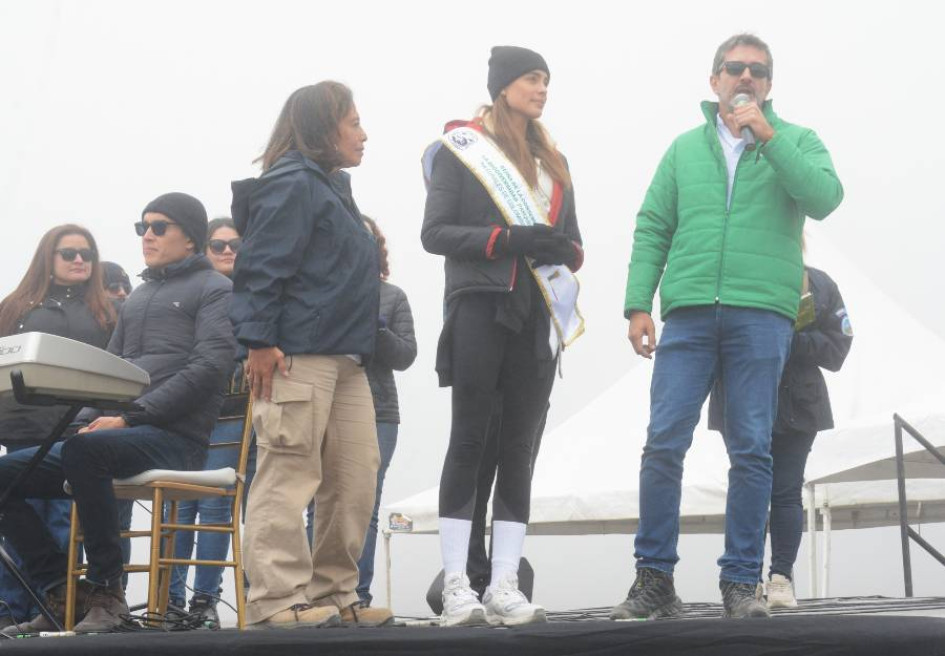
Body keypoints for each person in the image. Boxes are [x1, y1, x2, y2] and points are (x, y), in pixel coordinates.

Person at [611, 33, 843, 621]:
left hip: (762, 313)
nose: (746, 78)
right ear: (714, 80)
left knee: (752, 451)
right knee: (663, 442)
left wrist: (771, 140)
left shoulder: (796, 141)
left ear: (769, 86)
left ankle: (742, 582)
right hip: (688, 313)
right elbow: (653, 225)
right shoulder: (684, 150)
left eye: (757, 72)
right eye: (734, 69)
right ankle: (654, 578)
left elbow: (825, 198)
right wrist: (639, 302)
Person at [0, 192, 236, 633]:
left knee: (88, 451)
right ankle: (61, 592)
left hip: (176, 440)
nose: (147, 235)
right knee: (6, 474)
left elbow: (209, 369)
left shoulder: (217, 290)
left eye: (159, 226)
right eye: (142, 226)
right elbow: (110, 373)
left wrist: (130, 417)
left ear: (191, 238)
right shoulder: (141, 295)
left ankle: (108, 591)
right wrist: (80, 420)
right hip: (121, 436)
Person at [422, 45, 583, 627]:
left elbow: (574, 244)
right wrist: (510, 239)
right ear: (503, 86)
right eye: (532, 79)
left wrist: (561, 248)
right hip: (480, 306)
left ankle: (506, 582)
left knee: (520, 446)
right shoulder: (461, 152)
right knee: (468, 440)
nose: (542, 89)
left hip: (537, 314)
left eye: (546, 79)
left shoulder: (554, 162)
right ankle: (460, 581)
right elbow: (435, 232)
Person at [230, 81, 391, 629]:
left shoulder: (330, 186)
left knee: (354, 476)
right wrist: (257, 340)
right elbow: (260, 266)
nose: (363, 134)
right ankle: (276, 600)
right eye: (353, 122)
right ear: (324, 129)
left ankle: (335, 593)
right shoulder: (292, 183)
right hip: (294, 354)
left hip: (346, 357)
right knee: (288, 472)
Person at [708, 265, 852, 608]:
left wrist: (786, 338)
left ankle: (781, 579)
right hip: (739, 396)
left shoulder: (817, 283)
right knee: (747, 485)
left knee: (786, 490)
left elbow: (838, 347)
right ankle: (746, 581)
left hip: (799, 402)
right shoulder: (727, 272)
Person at [0, 225, 116, 631]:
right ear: (48, 259)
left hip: (76, 433)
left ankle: (60, 609)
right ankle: (16, 610)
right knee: (17, 522)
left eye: (87, 253)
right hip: (21, 428)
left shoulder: (106, 312)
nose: (80, 260)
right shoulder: (13, 308)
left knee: (63, 525)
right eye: (69, 253)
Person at [304, 215, 417, 608]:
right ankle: (310, 595)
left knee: (363, 503)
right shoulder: (318, 289)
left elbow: (406, 355)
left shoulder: (392, 296)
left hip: (380, 410)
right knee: (316, 502)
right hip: (322, 402)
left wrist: (377, 328)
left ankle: (357, 596)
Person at [166, 217, 247, 628]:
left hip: (232, 412)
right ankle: (171, 601)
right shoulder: (190, 290)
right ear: (204, 249)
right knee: (179, 505)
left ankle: (204, 602)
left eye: (235, 244)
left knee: (215, 505)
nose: (228, 251)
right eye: (218, 245)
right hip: (183, 410)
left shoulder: (254, 294)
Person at [100, 260, 134, 593]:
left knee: (119, 525)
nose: (122, 295)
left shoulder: (134, 324)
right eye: (113, 288)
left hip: (121, 434)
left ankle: (115, 596)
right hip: (81, 431)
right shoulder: (87, 328)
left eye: (126, 288)